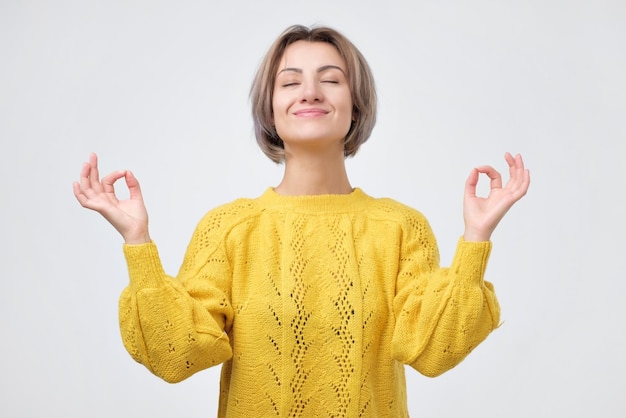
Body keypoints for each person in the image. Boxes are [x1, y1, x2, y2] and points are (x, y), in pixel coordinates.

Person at [73, 24, 530, 417]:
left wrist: (476, 239)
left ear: (357, 105)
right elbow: (178, 354)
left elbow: (430, 350)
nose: (310, 91)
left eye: (330, 80)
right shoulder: (230, 228)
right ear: (269, 108)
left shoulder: (399, 227)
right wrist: (138, 242)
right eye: (290, 82)